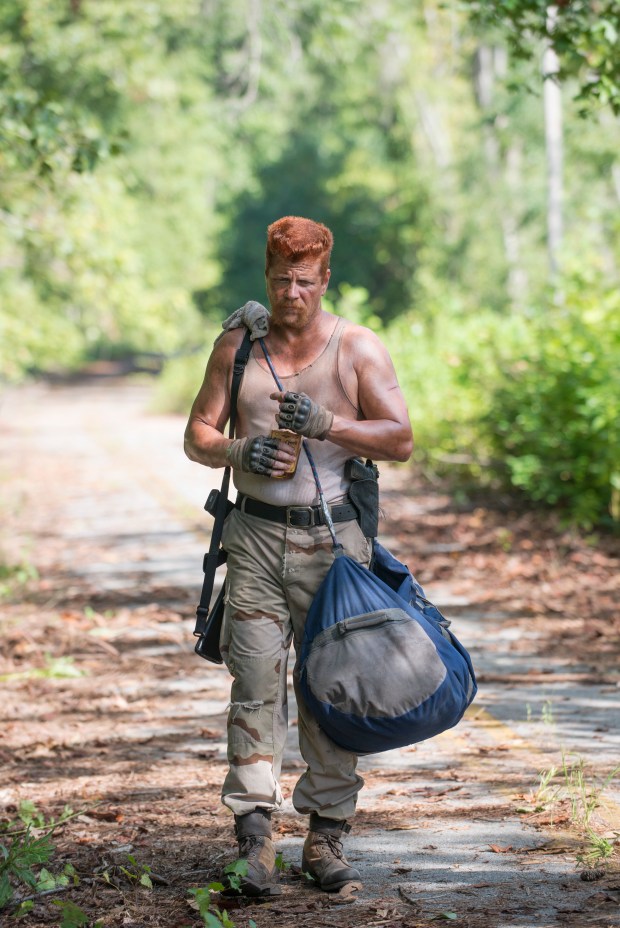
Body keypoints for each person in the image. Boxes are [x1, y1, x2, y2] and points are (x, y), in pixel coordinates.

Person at [184, 215, 413, 897]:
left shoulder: (356, 349)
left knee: (331, 687)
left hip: (333, 545)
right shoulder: (239, 345)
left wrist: (327, 424)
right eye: (282, 279)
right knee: (254, 687)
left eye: (306, 281)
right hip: (252, 537)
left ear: (326, 279)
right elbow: (197, 432)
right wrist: (235, 449)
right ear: (266, 274)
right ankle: (253, 839)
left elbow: (400, 439)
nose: (292, 293)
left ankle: (327, 837)